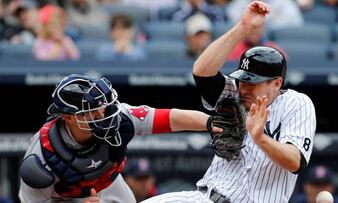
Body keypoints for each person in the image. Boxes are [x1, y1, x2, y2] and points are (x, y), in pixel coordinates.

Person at [142, 1, 316, 203]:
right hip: (205, 197)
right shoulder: (234, 92)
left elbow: (295, 162)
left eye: (253, 83)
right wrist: (242, 27)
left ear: (276, 83)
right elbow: (202, 72)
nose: (244, 88)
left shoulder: (297, 104)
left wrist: (260, 138)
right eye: (243, 81)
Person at [18, 74, 218, 203]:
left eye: (101, 107)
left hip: (108, 183)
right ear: (69, 117)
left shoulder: (119, 115)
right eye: (92, 112)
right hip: (63, 198)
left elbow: (169, 118)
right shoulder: (41, 156)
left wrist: (211, 122)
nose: (102, 115)